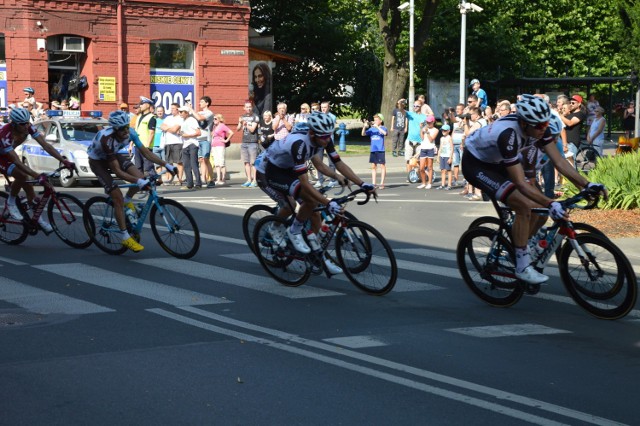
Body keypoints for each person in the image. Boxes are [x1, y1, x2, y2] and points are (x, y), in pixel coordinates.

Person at [461, 94, 607, 284]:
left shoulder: (540, 126)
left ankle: (519, 243)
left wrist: (587, 185)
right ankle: (522, 266)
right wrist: (551, 202)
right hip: (476, 165)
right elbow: (521, 183)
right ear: (524, 123)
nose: (543, 129)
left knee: (535, 207)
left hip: (496, 162)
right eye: (538, 126)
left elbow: (560, 161)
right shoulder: (508, 134)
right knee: (523, 205)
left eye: (545, 124)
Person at [264, 113, 375, 274]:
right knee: (310, 200)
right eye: (323, 137)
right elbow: (304, 183)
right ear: (312, 134)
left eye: (329, 135)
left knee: (313, 204)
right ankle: (293, 231)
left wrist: (362, 183)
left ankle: (314, 251)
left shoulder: (324, 138)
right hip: (276, 172)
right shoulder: (299, 144)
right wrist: (328, 203)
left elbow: (338, 163)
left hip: (290, 169)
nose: (327, 140)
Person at [87, 110, 176, 252]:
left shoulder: (131, 133)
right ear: (115, 129)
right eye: (122, 129)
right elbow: (117, 172)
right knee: (117, 196)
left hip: (114, 156)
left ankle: (128, 200)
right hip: (98, 161)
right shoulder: (107, 139)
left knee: (141, 176)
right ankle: (125, 236)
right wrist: (138, 182)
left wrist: (166, 164)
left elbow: (146, 153)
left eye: (127, 127)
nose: (126, 131)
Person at [0, 107, 75, 232]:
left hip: (9, 155)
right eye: (22, 124)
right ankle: (11, 202)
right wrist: (37, 175)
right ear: (14, 124)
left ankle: (37, 220)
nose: (26, 125)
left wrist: (64, 161)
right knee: (23, 176)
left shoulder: (28, 127)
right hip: (1, 158)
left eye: (27, 122)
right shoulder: (4, 134)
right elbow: (16, 161)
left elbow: (46, 146)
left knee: (29, 187)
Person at [191, 96, 215, 188]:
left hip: (206, 139)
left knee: (206, 159)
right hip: (198, 139)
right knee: (201, 160)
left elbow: (200, 118)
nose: (199, 103)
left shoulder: (209, 113)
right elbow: (193, 117)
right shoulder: (199, 112)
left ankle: (211, 179)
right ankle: (203, 179)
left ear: (207, 103)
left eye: (201, 102)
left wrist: (191, 109)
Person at [160, 103, 184, 185]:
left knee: (178, 161)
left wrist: (168, 128)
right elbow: (162, 126)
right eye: (171, 108)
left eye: (173, 108)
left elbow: (175, 129)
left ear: (178, 109)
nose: (172, 110)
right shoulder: (168, 118)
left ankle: (179, 178)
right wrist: (171, 128)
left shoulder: (180, 118)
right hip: (168, 142)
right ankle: (170, 177)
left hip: (177, 142)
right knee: (169, 162)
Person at [178, 105, 202, 190]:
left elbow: (199, 133)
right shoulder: (182, 121)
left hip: (192, 144)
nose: (180, 113)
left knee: (194, 164)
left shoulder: (192, 120)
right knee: (186, 165)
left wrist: (187, 135)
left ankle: (198, 184)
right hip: (185, 144)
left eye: (181, 112)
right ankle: (190, 184)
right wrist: (180, 133)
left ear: (187, 113)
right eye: (179, 111)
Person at [361, 113, 387, 189]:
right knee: (373, 166)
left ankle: (382, 183)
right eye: (374, 120)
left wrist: (377, 127)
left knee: (382, 165)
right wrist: (364, 127)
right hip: (373, 149)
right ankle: (374, 183)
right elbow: (363, 134)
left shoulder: (383, 128)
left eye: (376, 120)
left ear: (381, 121)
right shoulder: (372, 129)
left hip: (380, 149)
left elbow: (385, 133)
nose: (374, 121)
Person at [237, 101, 260, 187]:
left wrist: (245, 124)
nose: (248, 108)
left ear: (252, 108)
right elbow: (238, 129)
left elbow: (252, 129)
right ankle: (249, 179)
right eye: (247, 107)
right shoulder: (242, 117)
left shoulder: (255, 117)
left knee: (253, 163)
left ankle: (254, 180)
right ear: (244, 108)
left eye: (250, 107)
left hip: (253, 142)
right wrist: (240, 122)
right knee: (246, 162)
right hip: (244, 142)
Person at [132, 96, 156, 176]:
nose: (140, 106)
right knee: (138, 167)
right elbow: (135, 132)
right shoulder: (138, 117)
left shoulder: (152, 118)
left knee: (148, 168)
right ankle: (141, 185)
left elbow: (151, 133)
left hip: (145, 146)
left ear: (148, 105)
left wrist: (148, 147)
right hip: (137, 146)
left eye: (142, 104)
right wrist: (131, 144)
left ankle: (151, 186)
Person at [404, 100, 427, 178]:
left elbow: (426, 128)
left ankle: (420, 175)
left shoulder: (424, 117)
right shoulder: (410, 114)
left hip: (420, 141)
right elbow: (400, 110)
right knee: (408, 159)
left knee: (420, 159)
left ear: (421, 106)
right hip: (410, 139)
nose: (415, 107)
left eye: (417, 106)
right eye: (414, 106)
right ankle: (410, 176)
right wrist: (400, 103)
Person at [211, 114, 234, 185]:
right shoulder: (214, 126)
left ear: (220, 119)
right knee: (216, 163)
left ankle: (223, 179)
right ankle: (218, 179)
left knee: (221, 162)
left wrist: (226, 140)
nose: (214, 120)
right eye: (214, 119)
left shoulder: (222, 126)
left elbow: (231, 132)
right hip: (214, 145)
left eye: (215, 119)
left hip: (220, 145)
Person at [417, 115, 438, 189]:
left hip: (430, 148)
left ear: (433, 122)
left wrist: (427, 132)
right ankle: (423, 183)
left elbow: (431, 139)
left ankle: (429, 183)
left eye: (429, 122)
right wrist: (421, 129)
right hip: (423, 148)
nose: (428, 123)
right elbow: (422, 138)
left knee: (430, 167)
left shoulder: (435, 130)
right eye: (427, 122)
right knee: (421, 168)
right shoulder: (424, 128)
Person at [437, 124, 453, 190]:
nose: (443, 131)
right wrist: (438, 156)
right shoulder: (441, 138)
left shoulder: (449, 138)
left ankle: (449, 185)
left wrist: (450, 157)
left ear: (448, 131)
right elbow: (440, 147)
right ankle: (442, 184)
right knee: (442, 170)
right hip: (442, 155)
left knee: (448, 170)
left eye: (445, 130)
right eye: (442, 130)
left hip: (447, 155)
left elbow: (452, 148)